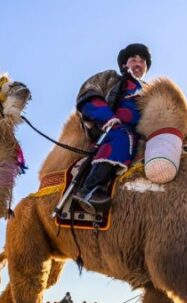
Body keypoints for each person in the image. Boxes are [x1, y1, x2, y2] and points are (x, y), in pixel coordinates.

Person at [72, 43, 151, 214]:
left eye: (142, 61)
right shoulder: (110, 78)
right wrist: (107, 117)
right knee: (122, 136)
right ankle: (89, 189)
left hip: (145, 134)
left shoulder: (151, 91)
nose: (138, 64)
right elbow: (89, 95)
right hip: (113, 127)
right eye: (133, 60)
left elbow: (165, 116)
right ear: (124, 64)